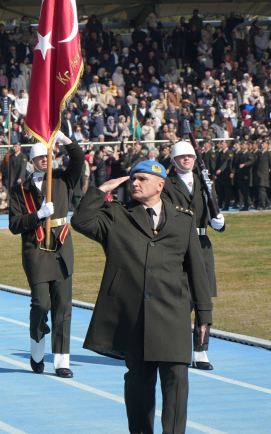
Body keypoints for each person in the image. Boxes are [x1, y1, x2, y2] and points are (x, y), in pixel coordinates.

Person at [71, 160, 213, 434]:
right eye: (133, 178)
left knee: (176, 385)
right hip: (135, 316)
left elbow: (197, 271)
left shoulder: (184, 220)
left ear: (160, 184)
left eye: (142, 179)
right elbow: (81, 221)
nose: (135, 183)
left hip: (173, 314)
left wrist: (204, 316)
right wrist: (100, 191)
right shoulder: (117, 214)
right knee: (138, 386)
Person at [8, 132, 84, 378]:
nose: (44, 160)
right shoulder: (21, 190)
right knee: (40, 304)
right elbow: (14, 225)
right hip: (36, 251)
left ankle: (61, 362)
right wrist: (37, 216)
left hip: (61, 249)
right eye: (39, 157)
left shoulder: (63, 178)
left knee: (63, 307)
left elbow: (79, 159)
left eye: (47, 156)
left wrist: (64, 138)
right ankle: (37, 351)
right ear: (32, 161)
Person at [162, 141, 225, 370]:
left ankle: (201, 351)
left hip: (202, 244)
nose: (187, 159)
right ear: (173, 161)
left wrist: (218, 222)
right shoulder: (166, 185)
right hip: (179, 245)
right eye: (182, 157)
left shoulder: (204, 182)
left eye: (190, 156)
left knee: (204, 300)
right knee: (180, 298)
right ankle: (172, 346)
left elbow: (212, 209)